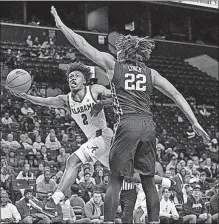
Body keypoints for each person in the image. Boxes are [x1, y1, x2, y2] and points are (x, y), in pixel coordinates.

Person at [50, 6, 209, 224]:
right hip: (148, 125)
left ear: (124, 52)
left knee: (116, 178)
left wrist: (61, 26)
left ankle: (107, 221)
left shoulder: (114, 66)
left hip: (127, 124)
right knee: (148, 180)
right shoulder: (151, 73)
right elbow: (175, 94)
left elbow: (83, 46)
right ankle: (153, 221)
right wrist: (195, 122)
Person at [11, 61, 113, 211]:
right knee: (129, 175)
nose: (72, 78)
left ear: (84, 80)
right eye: (70, 76)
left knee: (72, 161)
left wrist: (102, 103)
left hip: (103, 135)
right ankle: (161, 182)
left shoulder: (95, 90)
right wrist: (26, 96)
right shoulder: (66, 100)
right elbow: (45, 102)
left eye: (77, 76)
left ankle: (55, 198)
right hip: (95, 141)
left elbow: (118, 97)